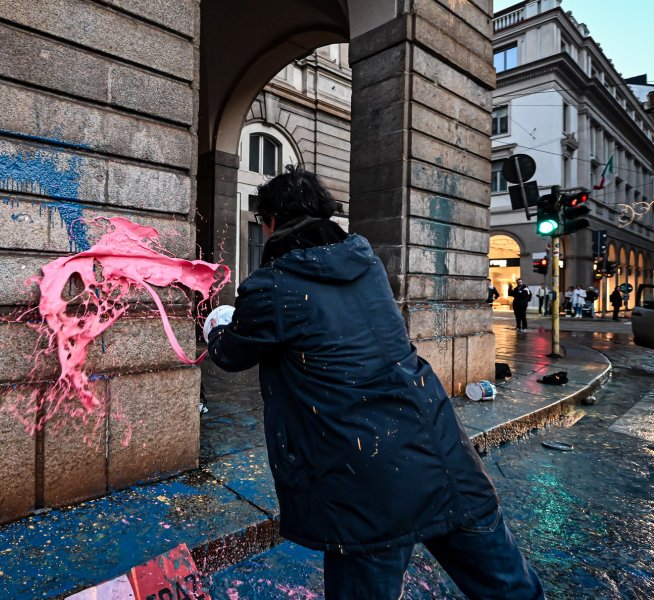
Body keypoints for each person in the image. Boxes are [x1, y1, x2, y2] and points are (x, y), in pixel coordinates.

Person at [205, 167, 544, 600]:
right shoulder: (367, 266)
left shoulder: (273, 286)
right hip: (442, 456)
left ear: (271, 220)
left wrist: (218, 322)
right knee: (509, 589)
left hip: (363, 482)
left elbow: (231, 353)